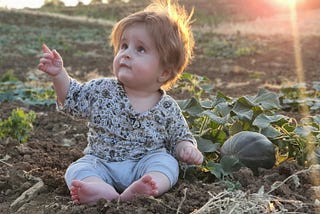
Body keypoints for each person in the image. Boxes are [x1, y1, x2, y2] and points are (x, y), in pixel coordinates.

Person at [38, 0, 203, 204]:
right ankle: (99, 190)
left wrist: (186, 148)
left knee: (167, 164)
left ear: (164, 72)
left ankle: (148, 187)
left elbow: (180, 137)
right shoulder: (102, 90)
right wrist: (59, 75)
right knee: (78, 169)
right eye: (124, 46)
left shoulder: (168, 107)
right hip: (101, 162)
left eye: (140, 49)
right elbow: (73, 98)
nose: (126, 54)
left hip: (145, 164)